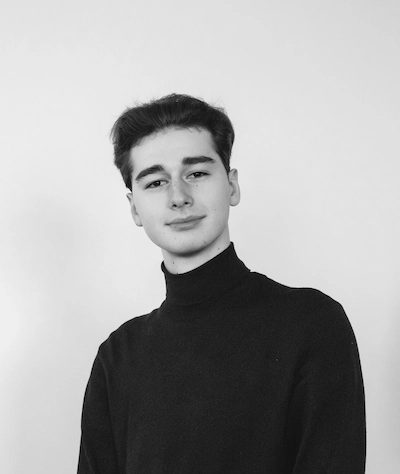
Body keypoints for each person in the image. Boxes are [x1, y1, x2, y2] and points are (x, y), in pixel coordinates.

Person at [78, 94, 366, 473]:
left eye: (197, 173)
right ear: (135, 208)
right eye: (156, 182)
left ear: (231, 186)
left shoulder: (311, 324)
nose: (179, 197)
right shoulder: (118, 357)